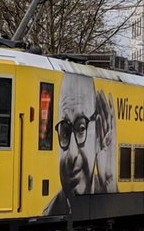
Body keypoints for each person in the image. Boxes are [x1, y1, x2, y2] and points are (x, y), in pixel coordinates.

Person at [47, 74, 116, 215]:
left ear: (98, 134)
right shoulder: (49, 212)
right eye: (65, 132)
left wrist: (110, 187)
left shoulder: (107, 185)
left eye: (81, 129)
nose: (72, 153)